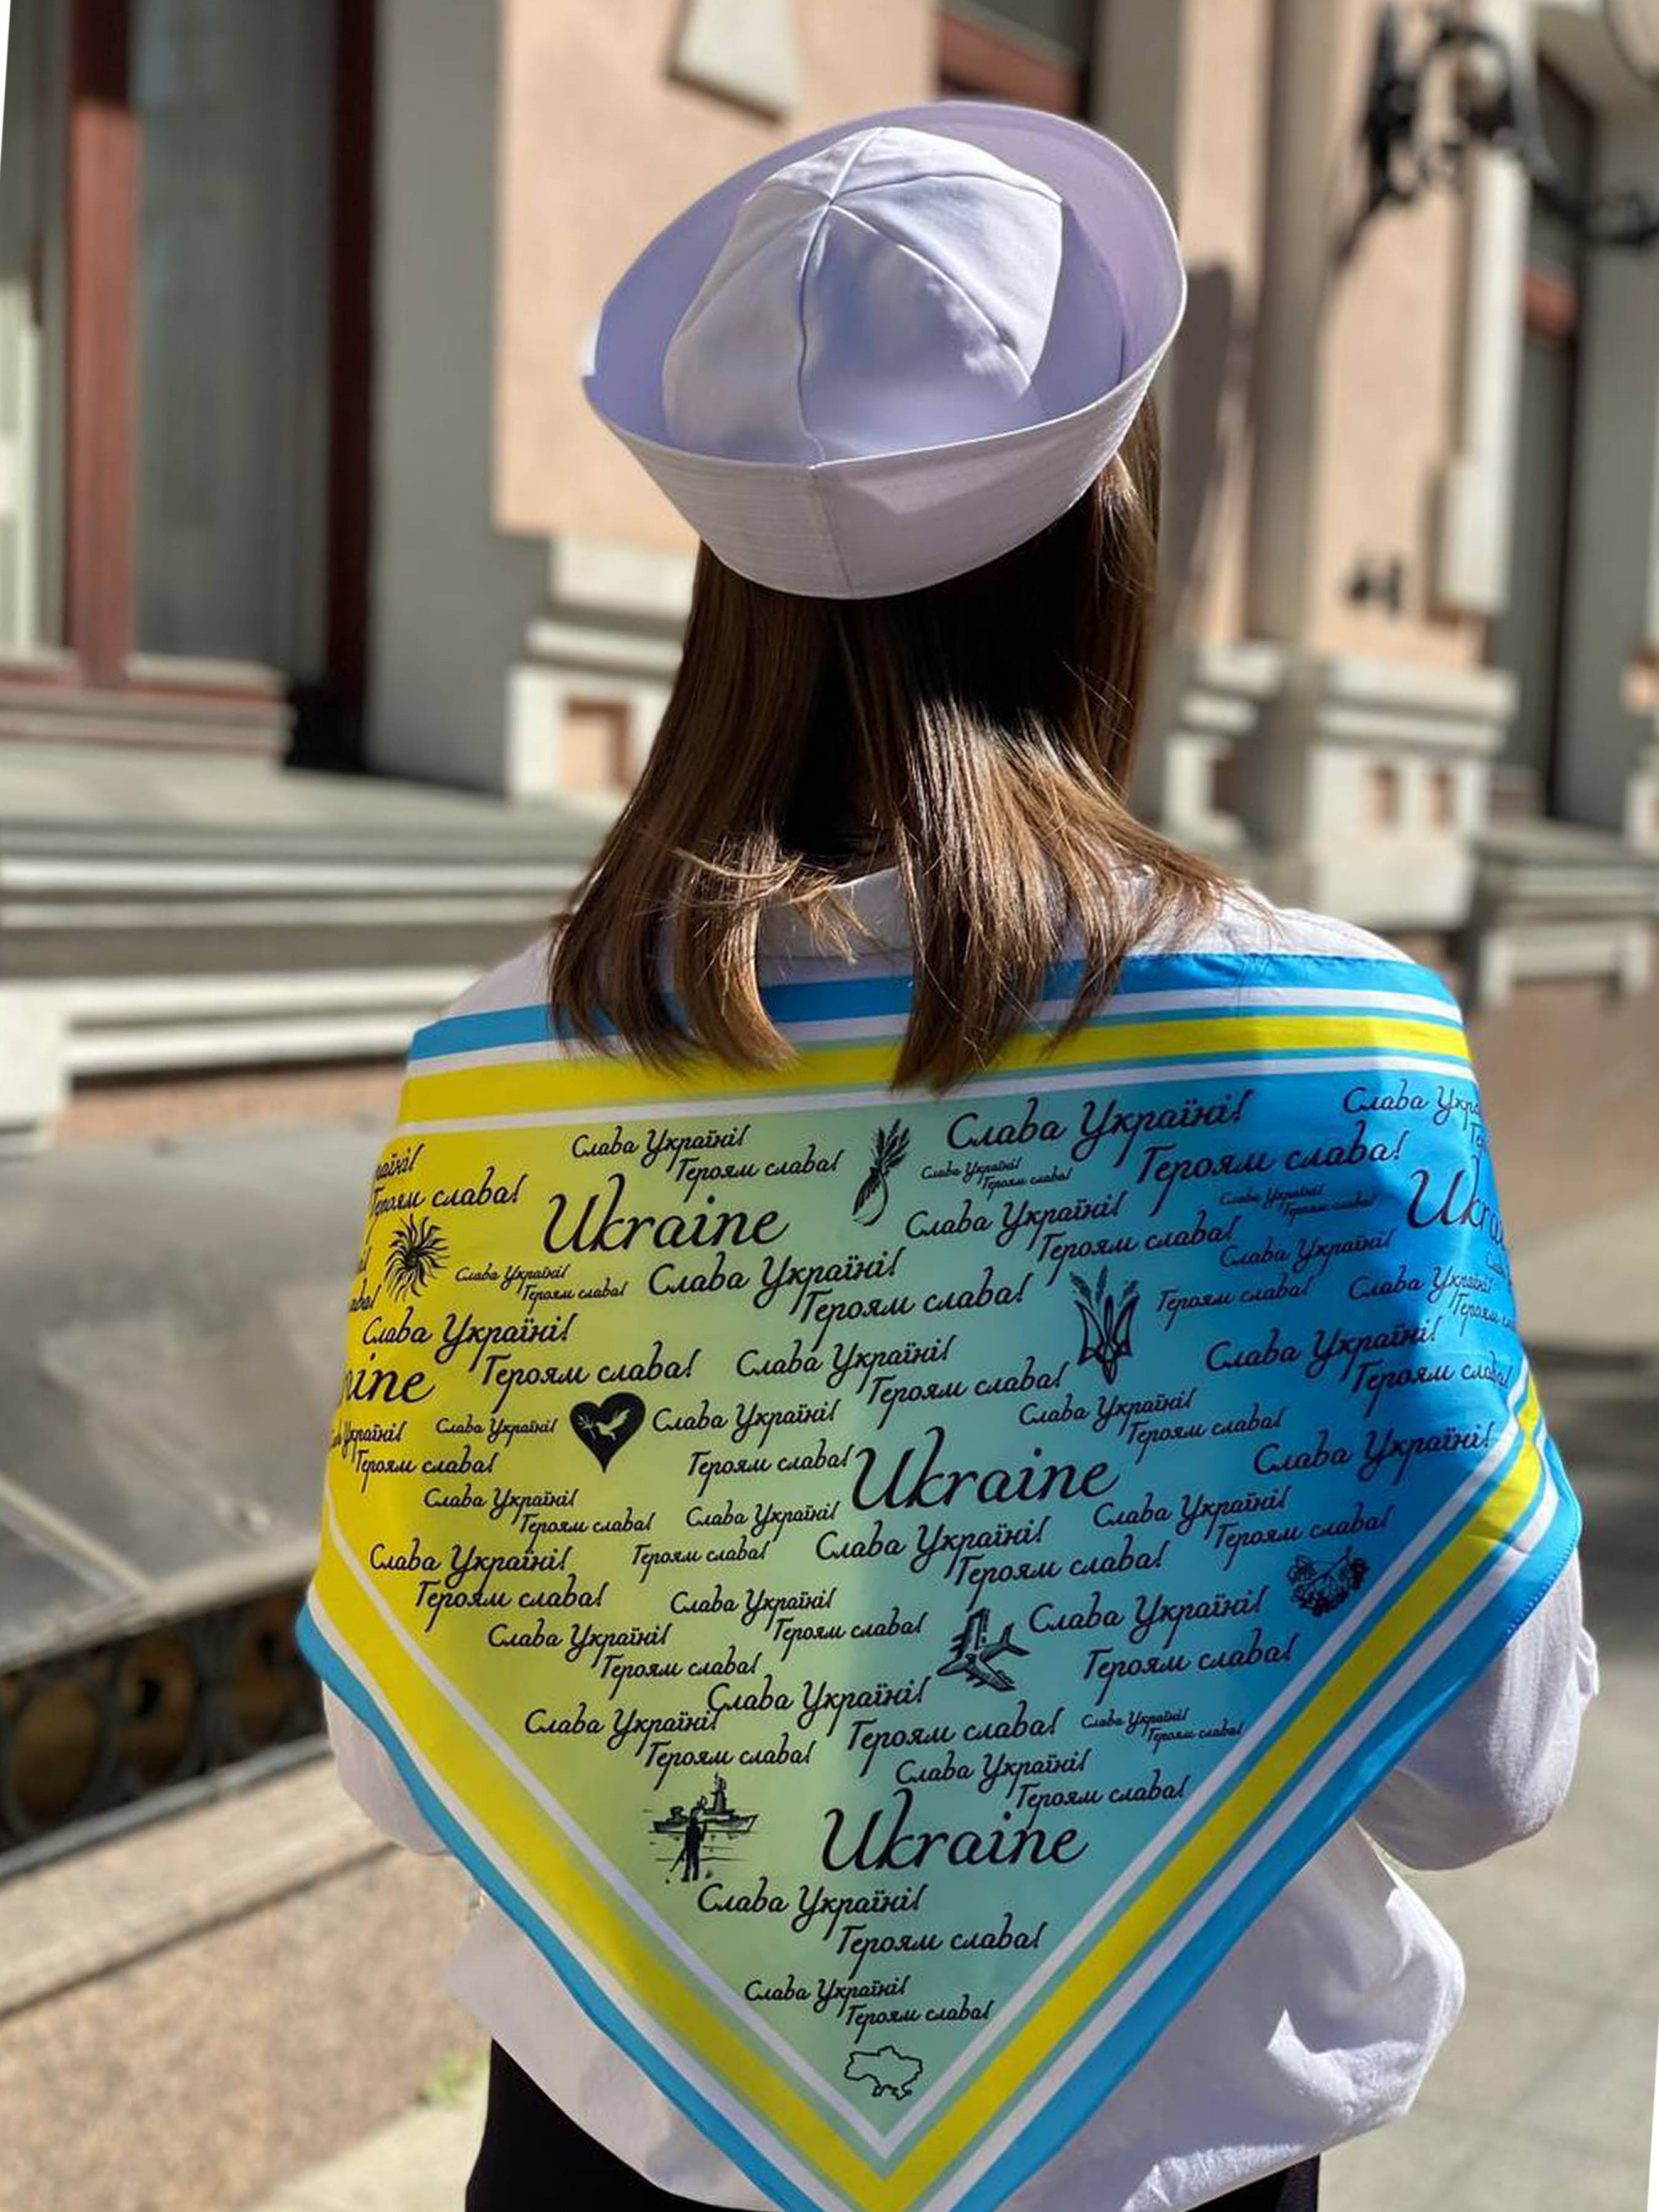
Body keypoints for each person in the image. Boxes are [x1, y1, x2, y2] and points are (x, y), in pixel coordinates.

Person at [310, 104, 1596, 2212]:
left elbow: (396, 1753)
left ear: (717, 585)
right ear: (1105, 545)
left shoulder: (500, 1066)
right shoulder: (1329, 1051)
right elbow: (1492, 1767)